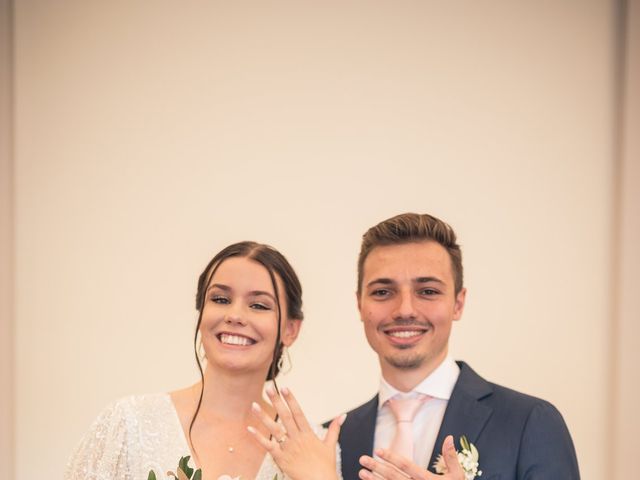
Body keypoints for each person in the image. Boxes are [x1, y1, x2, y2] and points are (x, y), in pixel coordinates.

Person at [65, 241, 343, 480]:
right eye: (220, 299)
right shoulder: (128, 424)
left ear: (290, 329)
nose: (235, 315)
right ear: (201, 314)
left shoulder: (315, 447)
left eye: (258, 305)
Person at [337, 213, 580, 480]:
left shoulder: (530, 422)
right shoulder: (333, 439)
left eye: (427, 291)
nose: (404, 310)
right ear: (360, 303)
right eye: (382, 292)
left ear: (458, 303)